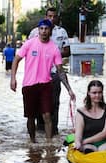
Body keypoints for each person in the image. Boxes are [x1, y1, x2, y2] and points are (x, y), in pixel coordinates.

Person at [10, 19, 75, 143]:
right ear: (38, 30)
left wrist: (69, 90)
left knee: (47, 115)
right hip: (29, 85)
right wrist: (13, 79)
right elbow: (16, 59)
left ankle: (49, 144)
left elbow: (60, 71)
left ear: (50, 31)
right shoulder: (29, 44)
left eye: (46, 29)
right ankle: (33, 142)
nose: (44, 31)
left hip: (46, 85)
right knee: (31, 117)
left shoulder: (54, 48)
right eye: (42, 29)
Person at [28, 7, 71, 135]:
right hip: (36, 74)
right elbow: (27, 50)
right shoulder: (35, 32)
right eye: (49, 16)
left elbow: (67, 51)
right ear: (45, 17)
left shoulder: (61, 32)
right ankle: (40, 128)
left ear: (57, 18)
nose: (52, 19)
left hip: (54, 72)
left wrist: (53, 53)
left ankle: (53, 130)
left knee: (54, 102)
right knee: (36, 103)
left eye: (54, 16)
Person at [74, 80, 106, 153]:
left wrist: (84, 141)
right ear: (88, 93)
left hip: (103, 143)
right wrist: (78, 143)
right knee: (87, 149)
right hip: (88, 145)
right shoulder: (80, 112)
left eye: (100, 92)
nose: (97, 95)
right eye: (94, 93)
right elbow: (78, 134)